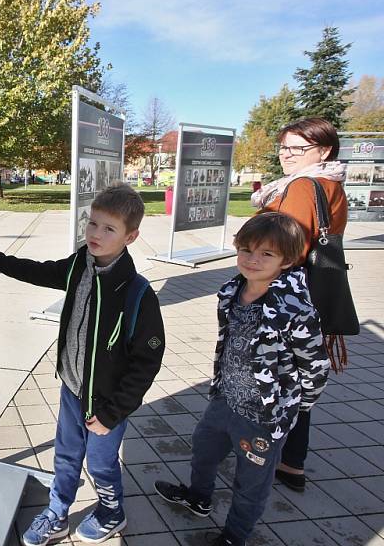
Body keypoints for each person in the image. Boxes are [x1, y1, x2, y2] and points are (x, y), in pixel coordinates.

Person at [0, 184, 165, 545]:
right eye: (92, 223)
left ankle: (113, 512)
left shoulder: (138, 293)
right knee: (65, 457)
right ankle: (57, 513)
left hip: (108, 402)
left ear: (131, 236)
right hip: (72, 387)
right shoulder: (80, 265)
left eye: (108, 229)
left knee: (100, 463)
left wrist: (114, 412)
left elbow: (146, 362)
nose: (95, 234)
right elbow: (38, 271)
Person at [154, 213, 329, 546]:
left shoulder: (295, 308)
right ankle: (199, 497)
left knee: (251, 482)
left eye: (266, 254)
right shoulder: (231, 290)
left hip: (263, 417)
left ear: (287, 260)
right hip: (225, 400)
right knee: (204, 452)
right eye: (246, 249)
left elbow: (315, 365)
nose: (253, 259)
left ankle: (235, 535)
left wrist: (295, 407)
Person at [251, 117, 347, 492]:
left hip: (281, 299)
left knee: (273, 377)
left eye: (298, 148)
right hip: (311, 298)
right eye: (284, 147)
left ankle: (263, 454)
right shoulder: (331, 183)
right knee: (296, 377)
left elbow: (278, 246)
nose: (287, 155)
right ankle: (293, 463)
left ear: (323, 151)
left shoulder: (303, 187)